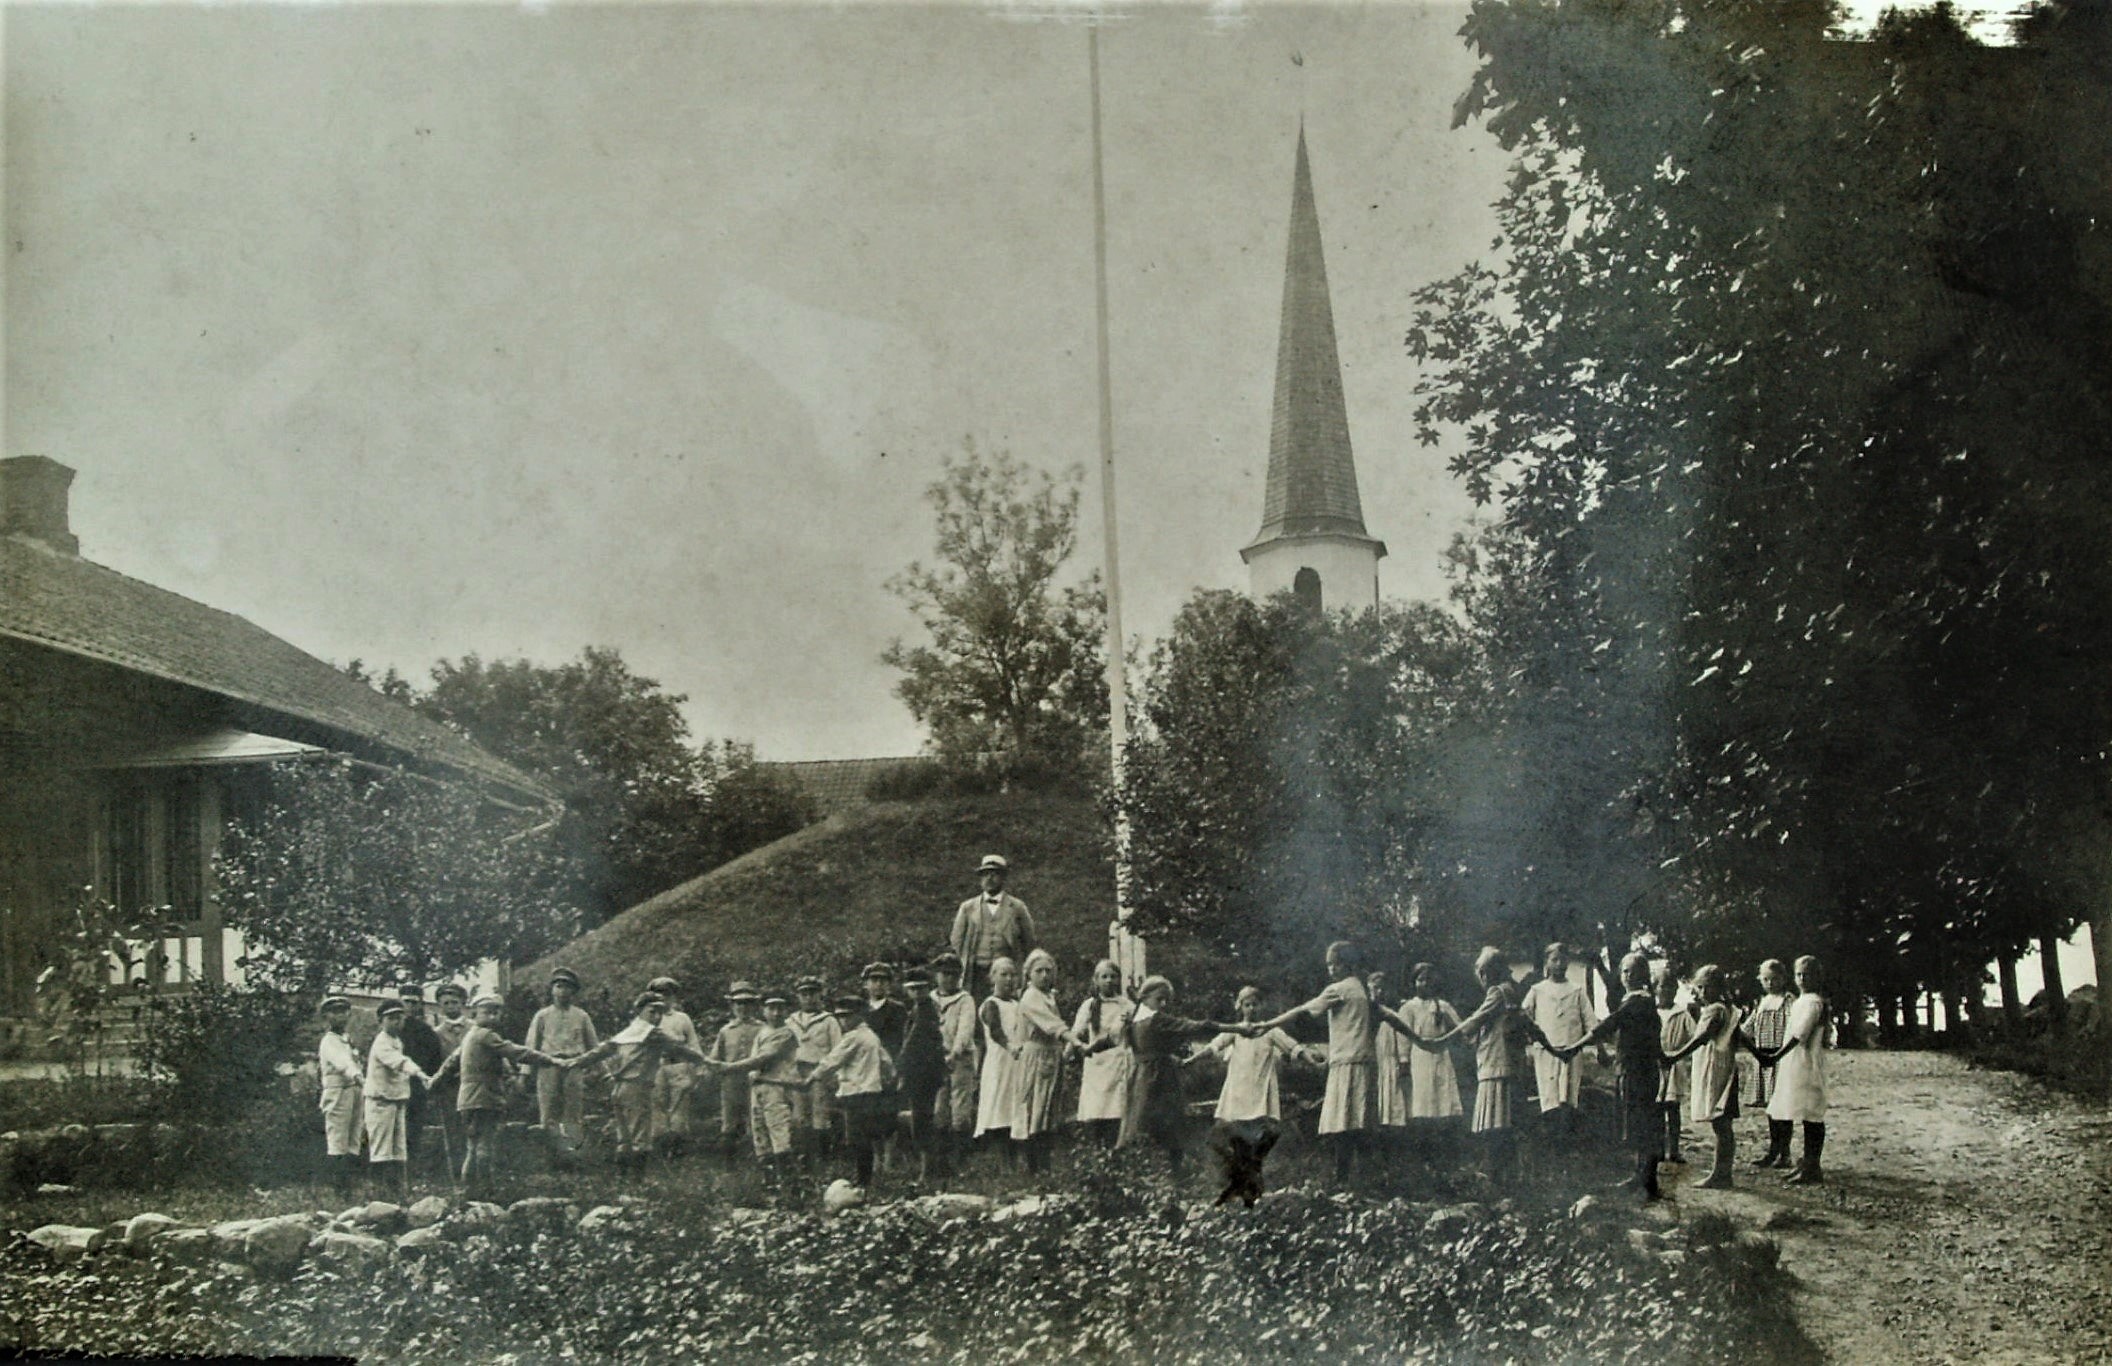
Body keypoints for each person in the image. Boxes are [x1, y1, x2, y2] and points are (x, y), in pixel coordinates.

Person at [1425, 947, 1552, 1184]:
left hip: (1497, 1067)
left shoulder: (1497, 992)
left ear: (1490, 972)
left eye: (1483, 972)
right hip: (1508, 1066)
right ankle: (1507, 1174)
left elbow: (1475, 1021)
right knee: (1506, 1122)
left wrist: (1440, 1040)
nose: (1481, 979)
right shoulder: (1510, 992)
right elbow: (1528, 1026)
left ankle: (1495, 1175)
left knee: (1496, 1124)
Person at [1254, 941, 1377, 1182]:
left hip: (1347, 1061)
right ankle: (1361, 1175)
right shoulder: (1359, 989)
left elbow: (1304, 1010)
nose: (1331, 969)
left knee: (1344, 1120)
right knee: (1357, 1119)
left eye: (1335, 964)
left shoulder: (1339, 989)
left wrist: (1268, 1024)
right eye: (1329, 965)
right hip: (1360, 1059)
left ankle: (1343, 1177)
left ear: (1346, 965)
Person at [431, 991, 563, 1198]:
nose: (493, 1017)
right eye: (487, 1012)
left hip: (466, 1099)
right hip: (485, 1097)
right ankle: (486, 1189)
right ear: (475, 1013)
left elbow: (449, 1064)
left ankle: (467, 1189)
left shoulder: (468, 1037)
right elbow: (517, 1052)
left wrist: (434, 1082)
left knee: (472, 1145)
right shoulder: (486, 1036)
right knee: (485, 1144)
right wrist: (551, 1060)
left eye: (496, 1013)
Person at [1556, 952, 1667, 1199]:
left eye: (1633, 971)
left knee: (1640, 1123)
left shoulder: (1637, 1002)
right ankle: (1642, 1176)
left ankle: (1647, 1181)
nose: (1628, 976)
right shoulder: (1642, 1002)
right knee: (1640, 1122)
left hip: (1637, 1071)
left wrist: (1575, 1047)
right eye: (1625, 971)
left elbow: (1606, 1026)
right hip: (1637, 1070)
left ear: (1643, 975)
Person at [1196, 986, 1317, 1206]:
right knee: (1237, 1143)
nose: (1251, 1008)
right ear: (1240, 1006)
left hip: (1259, 1095)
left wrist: (1311, 1059)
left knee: (1256, 1144)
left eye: (1255, 1004)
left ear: (1262, 1005)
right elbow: (1213, 1047)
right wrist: (1191, 1060)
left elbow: (1293, 1047)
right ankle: (1243, 1191)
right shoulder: (1234, 1031)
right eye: (1247, 1004)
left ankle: (1250, 1191)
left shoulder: (1269, 1031)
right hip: (1237, 1094)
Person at [1117, 975, 1247, 1170]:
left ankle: (1163, 1171)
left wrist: (1233, 1028)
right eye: (1159, 998)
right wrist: (1235, 1028)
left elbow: (1192, 1026)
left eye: (1166, 1000)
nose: (1162, 1004)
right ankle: (1151, 1171)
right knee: (1152, 1124)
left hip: (1151, 1077)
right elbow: (1196, 1025)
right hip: (1152, 1078)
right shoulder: (1145, 1020)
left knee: (1156, 1124)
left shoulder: (1145, 1019)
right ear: (1144, 996)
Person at [571, 991, 710, 1167]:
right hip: (637, 1089)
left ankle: (622, 1183)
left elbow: (601, 1051)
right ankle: (637, 1185)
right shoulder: (652, 1034)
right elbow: (679, 1049)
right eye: (652, 1011)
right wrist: (707, 1061)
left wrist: (572, 1062)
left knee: (624, 1139)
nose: (657, 1017)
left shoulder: (629, 1031)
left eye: (660, 1012)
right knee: (640, 1139)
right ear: (640, 1011)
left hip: (619, 1089)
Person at [1663, 964, 1761, 1189]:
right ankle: (1722, 1171)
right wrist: (1761, 1056)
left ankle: (1721, 1173)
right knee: (1722, 1122)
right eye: (1700, 987)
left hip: (1716, 1068)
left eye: (1708, 987)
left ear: (1719, 988)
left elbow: (1701, 1038)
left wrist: (1674, 1056)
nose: (1703, 992)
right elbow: (1741, 1037)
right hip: (1721, 1065)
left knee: (1720, 1122)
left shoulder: (1715, 1010)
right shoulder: (1727, 1009)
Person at [705, 990, 803, 1193]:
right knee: (760, 1136)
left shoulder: (786, 1033)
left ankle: (789, 1186)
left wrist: (729, 1067)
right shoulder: (761, 1032)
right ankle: (770, 1184)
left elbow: (764, 1058)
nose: (775, 1013)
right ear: (765, 1010)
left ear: (785, 1012)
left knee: (779, 1135)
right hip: (757, 1087)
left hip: (776, 1087)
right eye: (771, 1008)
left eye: (780, 1009)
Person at [810, 994, 897, 1189]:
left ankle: (862, 1180)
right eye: (840, 1016)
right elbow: (887, 1062)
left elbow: (833, 1060)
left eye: (848, 1016)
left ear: (860, 1015)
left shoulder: (853, 1037)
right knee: (864, 1136)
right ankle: (866, 1178)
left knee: (857, 1139)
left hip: (856, 1093)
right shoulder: (871, 1036)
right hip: (872, 1092)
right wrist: (887, 1077)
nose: (843, 1021)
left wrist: (814, 1076)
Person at [1764, 955, 1831, 1184]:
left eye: (1807, 974)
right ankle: (1806, 1163)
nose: (1802, 979)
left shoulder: (1814, 1002)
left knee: (1811, 1113)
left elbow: (1799, 1035)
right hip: (1794, 1063)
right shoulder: (1801, 1001)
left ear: (1817, 977)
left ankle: (1813, 1166)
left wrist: (1776, 1055)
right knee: (1800, 1111)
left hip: (1806, 1062)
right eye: (1799, 974)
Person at [1519, 943, 1597, 1136]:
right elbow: (1523, 1016)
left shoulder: (1577, 990)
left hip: (1571, 1051)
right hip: (1546, 1052)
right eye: (1554, 960)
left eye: (1563, 959)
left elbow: (1591, 1023)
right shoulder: (1537, 990)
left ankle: (1566, 1138)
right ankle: (1550, 1138)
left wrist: (1598, 1048)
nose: (1559, 964)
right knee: (1549, 1096)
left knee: (1568, 1097)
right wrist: (1528, 1040)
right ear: (1547, 962)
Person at [525, 968, 600, 1155]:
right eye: (558, 986)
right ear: (552, 990)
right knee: (549, 1109)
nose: (562, 992)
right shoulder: (542, 1016)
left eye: (567, 987)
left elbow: (594, 1046)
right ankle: (551, 1154)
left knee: (573, 1110)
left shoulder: (581, 1016)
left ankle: (572, 1153)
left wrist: (602, 1071)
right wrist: (525, 1073)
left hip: (573, 1065)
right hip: (549, 1065)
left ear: (573, 991)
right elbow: (531, 1046)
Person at [363, 1000, 432, 1201]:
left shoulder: (397, 1041)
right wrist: (419, 1074)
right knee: (381, 1149)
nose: (396, 1022)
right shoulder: (382, 1042)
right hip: (380, 1102)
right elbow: (399, 1062)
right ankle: (376, 1194)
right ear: (380, 1021)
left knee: (398, 1149)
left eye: (399, 1018)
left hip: (396, 1100)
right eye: (391, 1018)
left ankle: (398, 1193)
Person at [1391, 963, 1465, 1147]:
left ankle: (1443, 1141)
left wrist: (1448, 1023)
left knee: (1442, 1098)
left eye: (1428, 980)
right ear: (1414, 982)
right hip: (1419, 1055)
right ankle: (1424, 1142)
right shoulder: (1409, 1007)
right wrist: (1404, 1060)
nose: (1425, 984)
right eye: (1420, 980)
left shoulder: (1443, 1006)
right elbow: (1403, 1037)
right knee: (1423, 1100)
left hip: (1440, 1054)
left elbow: (1461, 1027)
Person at [1010, 948, 1068, 1174]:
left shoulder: (1048, 996)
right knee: (1036, 1106)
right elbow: (1052, 1025)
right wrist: (1074, 1040)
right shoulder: (1030, 997)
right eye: (1039, 971)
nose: (1044, 975)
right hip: (1036, 1055)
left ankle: (1045, 1163)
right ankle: (1035, 1164)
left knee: (1048, 1108)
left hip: (1051, 1053)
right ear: (1029, 974)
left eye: (1049, 971)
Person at [950, 855, 1037, 996]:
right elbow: (956, 941)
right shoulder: (968, 907)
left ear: (1003, 878)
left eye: (994, 874)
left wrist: (1022, 971)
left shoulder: (1017, 907)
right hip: (976, 972)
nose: (989, 879)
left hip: (1006, 973)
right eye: (985, 875)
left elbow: (1029, 941)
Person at [1070, 958, 1133, 1146]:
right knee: (1096, 1108)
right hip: (1096, 1062)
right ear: (1095, 980)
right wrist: (1070, 1052)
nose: (1109, 981)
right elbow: (1076, 1032)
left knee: (1116, 1108)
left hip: (1118, 1062)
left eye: (1113, 977)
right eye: (1104, 977)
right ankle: (1096, 1150)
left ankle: (1114, 1149)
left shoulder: (1126, 1005)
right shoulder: (1089, 1005)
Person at [897, 967, 949, 1182]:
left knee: (922, 1119)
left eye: (921, 988)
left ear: (928, 989)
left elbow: (913, 1041)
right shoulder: (920, 1009)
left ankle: (928, 1170)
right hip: (922, 1071)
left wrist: (899, 1064)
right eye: (913, 989)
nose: (917, 992)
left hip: (924, 1072)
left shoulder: (925, 1010)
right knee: (922, 1118)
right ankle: (932, 1167)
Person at [1744, 959, 1795, 1169]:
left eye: (1774, 979)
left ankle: (1785, 1153)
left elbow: (1795, 1029)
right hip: (1762, 1058)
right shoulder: (1762, 1003)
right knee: (1771, 1109)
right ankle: (1773, 1150)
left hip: (1782, 1058)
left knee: (1783, 1108)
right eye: (1766, 979)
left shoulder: (1789, 1001)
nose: (1770, 983)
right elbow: (1747, 1028)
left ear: (1783, 978)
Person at [705, 981, 765, 1161]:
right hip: (731, 1081)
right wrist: (709, 1071)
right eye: (739, 1003)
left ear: (754, 1005)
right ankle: (729, 1163)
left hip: (757, 1079)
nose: (743, 1007)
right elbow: (715, 1056)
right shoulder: (726, 1030)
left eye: (747, 1003)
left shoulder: (762, 1028)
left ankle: (761, 1159)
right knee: (730, 1121)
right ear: (732, 1006)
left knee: (757, 1118)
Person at [930, 953, 980, 1161]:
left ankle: (961, 1155)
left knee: (960, 1105)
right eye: (944, 974)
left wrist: (955, 1052)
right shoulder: (930, 998)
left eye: (953, 975)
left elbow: (965, 1029)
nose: (948, 979)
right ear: (937, 976)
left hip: (960, 1058)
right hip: (937, 1058)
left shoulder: (965, 1000)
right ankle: (941, 1155)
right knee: (939, 1105)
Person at [788, 975, 842, 1163]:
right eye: (804, 994)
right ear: (798, 996)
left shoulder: (829, 1021)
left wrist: (831, 1074)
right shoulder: (791, 1021)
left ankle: (823, 1157)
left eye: (813, 994)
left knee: (820, 1114)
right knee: (799, 1115)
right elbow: (785, 1049)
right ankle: (804, 1156)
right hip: (796, 1071)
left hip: (820, 1072)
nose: (809, 998)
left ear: (821, 995)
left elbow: (838, 1049)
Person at [648, 976, 705, 1154]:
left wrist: (699, 1067)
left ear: (673, 997)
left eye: (667, 994)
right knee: (657, 1104)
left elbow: (693, 1043)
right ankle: (660, 1146)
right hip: (656, 1066)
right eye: (659, 994)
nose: (663, 998)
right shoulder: (648, 1017)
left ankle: (677, 1147)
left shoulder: (682, 1018)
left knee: (679, 1105)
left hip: (679, 1066)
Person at [394, 985, 448, 1170]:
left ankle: (411, 1168)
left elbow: (435, 1060)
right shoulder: (390, 1029)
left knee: (414, 1127)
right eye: (406, 1001)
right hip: (393, 1086)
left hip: (416, 1086)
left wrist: (430, 1083)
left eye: (413, 1002)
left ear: (420, 1004)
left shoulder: (426, 1032)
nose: (409, 1006)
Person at [974, 957, 1024, 1155]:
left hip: (1017, 1061)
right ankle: (1000, 1156)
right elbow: (995, 1031)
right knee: (999, 1104)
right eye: (1003, 974)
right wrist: (1009, 1046)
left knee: (1015, 1104)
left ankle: (1014, 1153)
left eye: (1012, 975)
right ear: (992, 977)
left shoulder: (1017, 1004)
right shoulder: (990, 1004)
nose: (1009, 979)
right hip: (1000, 1061)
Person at [316, 995, 364, 1196]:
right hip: (337, 1092)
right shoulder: (329, 1042)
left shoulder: (347, 1039)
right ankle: (340, 1188)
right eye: (335, 1012)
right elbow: (342, 1063)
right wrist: (358, 1076)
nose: (340, 1016)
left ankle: (350, 1185)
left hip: (353, 1090)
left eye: (344, 1012)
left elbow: (355, 1060)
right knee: (338, 1138)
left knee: (354, 1137)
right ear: (327, 1016)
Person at [1368, 971, 1413, 1153]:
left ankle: (1399, 1142)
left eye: (1382, 988)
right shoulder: (1369, 1012)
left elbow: (1403, 1038)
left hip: (1393, 1060)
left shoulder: (1397, 1010)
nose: (1379, 992)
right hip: (1376, 1061)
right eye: (1374, 989)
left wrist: (1403, 1060)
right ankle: (1380, 1143)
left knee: (1397, 1099)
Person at [1655, 966, 1695, 1165]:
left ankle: (1675, 1149)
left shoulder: (1682, 1014)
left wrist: (1680, 1055)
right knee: (1656, 1108)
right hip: (1655, 1064)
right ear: (1656, 988)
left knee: (1673, 1108)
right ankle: (1659, 1149)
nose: (1667, 991)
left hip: (1674, 1063)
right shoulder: (1652, 1011)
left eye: (1671, 987)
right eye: (1663, 986)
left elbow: (1694, 1037)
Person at [861, 962, 910, 1060]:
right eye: (874, 980)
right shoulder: (859, 1010)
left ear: (889, 984)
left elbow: (902, 1041)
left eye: (883, 981)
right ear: (866, 984)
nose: (879, 984)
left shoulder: (898, 1010)